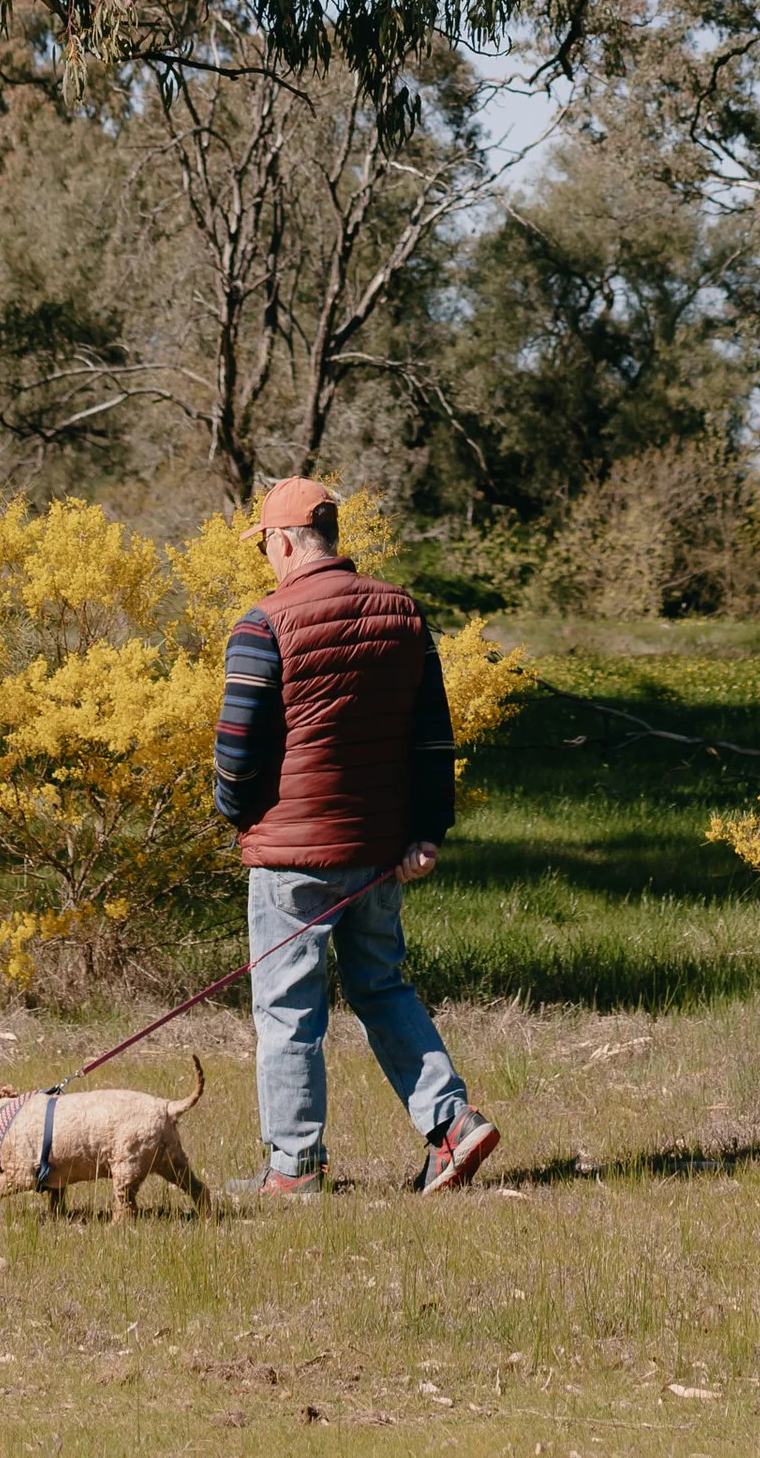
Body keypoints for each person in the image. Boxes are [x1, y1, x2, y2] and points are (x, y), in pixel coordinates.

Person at [211, 477, 500, 1194]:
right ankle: (452, 1126)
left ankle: (295, 1168)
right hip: (380, 851)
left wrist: (235, 811)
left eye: (266, 547)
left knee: (287, 1009)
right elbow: (435, 737)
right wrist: (427, 830)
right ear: (331, 537)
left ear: (281, 542)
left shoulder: (264, 623)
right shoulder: (402, 611)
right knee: (382, 988)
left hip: (293, 855)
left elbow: (236, 751)